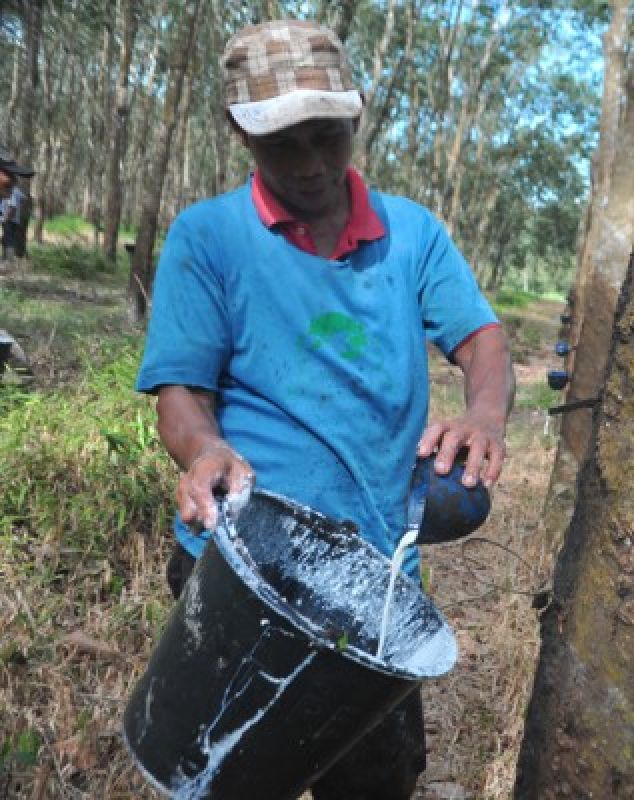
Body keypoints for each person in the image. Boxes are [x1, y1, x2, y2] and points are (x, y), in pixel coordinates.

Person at [134, 19, 515, 800]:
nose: (310, 165)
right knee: (218, 771)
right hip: (240, 570)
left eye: (326, 137)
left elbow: (484, 342)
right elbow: (183, 394)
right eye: (283, 144)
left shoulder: (410, 236)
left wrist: (483, 416)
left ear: (358, 115)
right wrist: (204, 450)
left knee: (372, 780)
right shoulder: (208, 239)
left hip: (375, 578)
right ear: (240, 132)